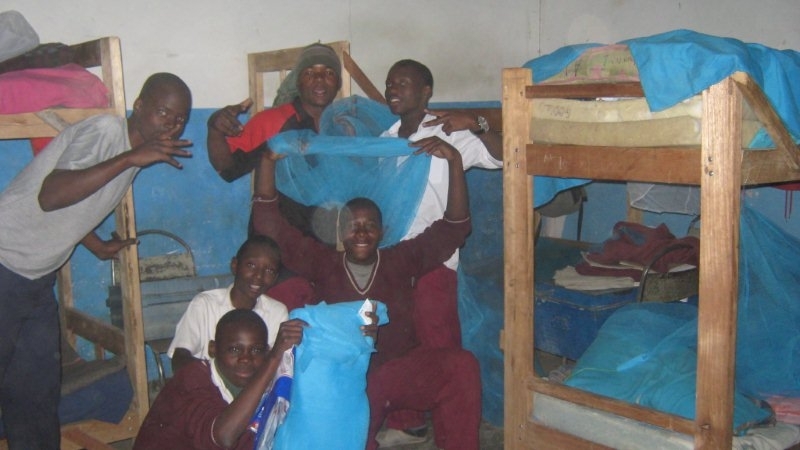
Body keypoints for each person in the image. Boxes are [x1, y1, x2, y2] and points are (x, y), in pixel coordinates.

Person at [251, 133, 482, 450]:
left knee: (462, 366)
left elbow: (455, 226)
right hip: (345, 380)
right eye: (352, 225)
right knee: (351, 438)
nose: (361, 232)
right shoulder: (322, 262)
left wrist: (454, 161)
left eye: (369, 225)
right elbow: (269, 224)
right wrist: (266, 162)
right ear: (340, 231)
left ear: (382, 232)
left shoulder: (401, 259)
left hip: (397, 372)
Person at [0, 72, 192, 449]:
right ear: (138, 106)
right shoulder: (107, 132)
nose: (171, 124)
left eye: (180, 118)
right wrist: (130, 158)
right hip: (5, 264)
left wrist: (95, 244)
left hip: (35, 278)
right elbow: (51, 195)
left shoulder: (133, 155)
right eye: (162, 112)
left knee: (36, 391)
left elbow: (74, 204)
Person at [379, 59, 503, 445]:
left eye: (403, 83)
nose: (393, 90)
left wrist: (478, 124)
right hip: (394, 256)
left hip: (434, 255)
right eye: (389, 83)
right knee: (397, 337)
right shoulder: (384, 140)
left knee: (439, 341)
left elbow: (504, 155)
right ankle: (408, 421)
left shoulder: (449, 130)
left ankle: (454, 432)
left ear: (426, 91)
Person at [206, 42, 343, 311]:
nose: (319, 79)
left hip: (325, 244)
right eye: (310, 72)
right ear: (298, 80)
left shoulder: (344, 126)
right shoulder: (273, 121)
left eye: (328, 73)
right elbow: (227, 168)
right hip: (277, 243)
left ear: (337, 82)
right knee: (273, 316)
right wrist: (214, 129)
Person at [134, 309, 305, 450]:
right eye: (234, 349)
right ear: (213, 349)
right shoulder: (192, 379)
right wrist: (274, 357)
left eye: (256, 350)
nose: (245, 359)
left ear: (265, 351)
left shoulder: (266, 384)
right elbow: (223, 437)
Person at [168, 235, 289, 374]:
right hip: (207, 383)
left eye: (269, 270)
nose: (259, 276)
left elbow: (274, 366)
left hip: (255, 385)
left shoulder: (277, 312)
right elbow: (180, 357)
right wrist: (213, 379)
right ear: (235, 265)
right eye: (251, 265)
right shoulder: (205, 304)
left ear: (275, 278)